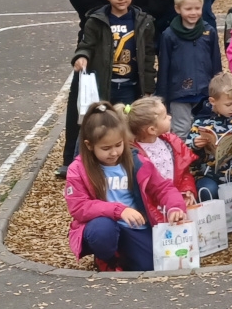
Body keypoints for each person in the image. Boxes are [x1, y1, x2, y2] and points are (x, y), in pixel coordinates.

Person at [63, 0, 171, 168]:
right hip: (99, 31)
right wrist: (101, 15)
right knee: (88, 105)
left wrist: (146, 14)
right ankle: (76, 162)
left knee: (131, 105)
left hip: (138, 29)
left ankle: (133, 160)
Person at [65, 101, 187, 272]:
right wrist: (119, 210)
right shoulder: (78, 169)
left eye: (118, 145)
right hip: (104, 224)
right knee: (102, 232)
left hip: (135, 225)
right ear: (89, 145)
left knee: (149, 266)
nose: (114, 152)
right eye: (106, 148)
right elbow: (79, 207)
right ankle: (107, 259)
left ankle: (123, 256)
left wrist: (175, 207)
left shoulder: (136, 161)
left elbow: (162, 188)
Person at [72, 0, 156, 116]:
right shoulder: (96, 21)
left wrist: (148, 89)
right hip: (103, 87)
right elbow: (86, 45)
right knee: (103, 123)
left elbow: (148, 57)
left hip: (130, 88)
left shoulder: (144, 22)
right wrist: (82, 57)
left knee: (127, 123)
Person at [156, 0, 222, 137]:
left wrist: (218, 89)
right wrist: (162, 97)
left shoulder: (209, 31)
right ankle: (182, 153)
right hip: (179, 93)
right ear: (178, 9)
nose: (193, 12)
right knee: (182, 130)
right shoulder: (169, 35)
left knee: (206, 130)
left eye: (197, 8)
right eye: (188, 9)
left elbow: (216, 62)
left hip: (205, 92)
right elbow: (164, 67)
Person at [127, 96, 197, 207]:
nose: (170, 117)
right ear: (152, 130)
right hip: (155, 209)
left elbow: (184, 173)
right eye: (164, 117)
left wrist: (187, 190)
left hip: (177, 204)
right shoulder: (135, 155)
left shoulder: (172, 143)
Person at [189, 73, 232, 201]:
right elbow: (187, 155)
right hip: (208, 175)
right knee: (208, 190)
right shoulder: (200, 124)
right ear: (213, 101)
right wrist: (195, 145)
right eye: (228, 104)